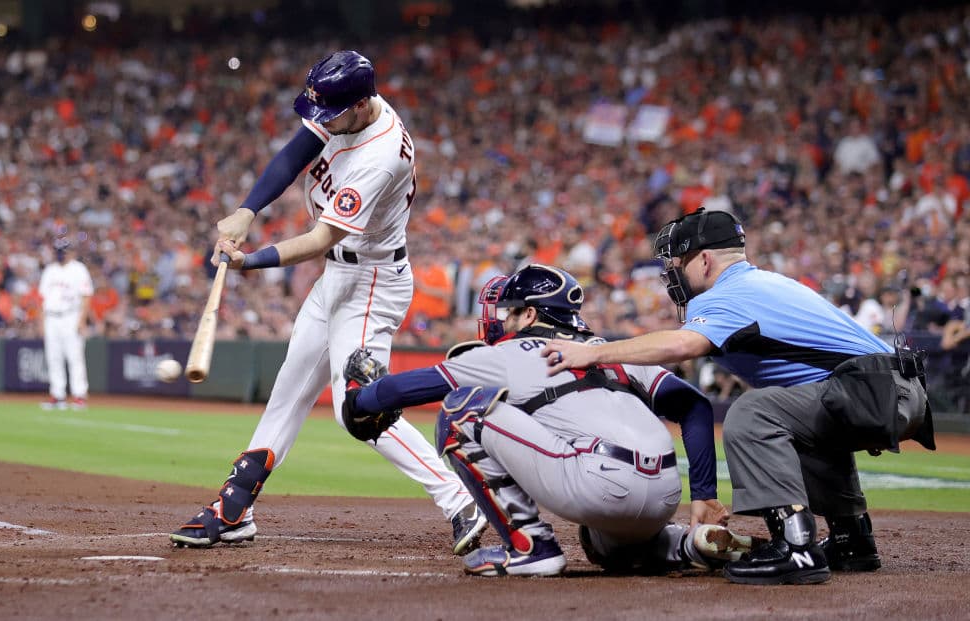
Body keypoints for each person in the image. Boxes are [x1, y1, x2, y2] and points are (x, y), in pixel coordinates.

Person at [170, 51, 487, 553]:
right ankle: (237, 507)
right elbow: (295, 154)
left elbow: (319, 239)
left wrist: (248, 262)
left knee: (357, 409)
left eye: (332, 114)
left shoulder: (379, 156)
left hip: (373, 283)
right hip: (339, 275)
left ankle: (460, 498)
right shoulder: (343, 110)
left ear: (361, 105)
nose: (322, 121)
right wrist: (246, 210)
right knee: (289, 391)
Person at [542, 209, 934, 585]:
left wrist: (593, 351)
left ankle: (795, 546)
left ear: (705, 260)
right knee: (793, 415)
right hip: (893, 390)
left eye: (677, 261)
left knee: (752, 412)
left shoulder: (728, 292)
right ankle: (853, 540)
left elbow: (683, 344)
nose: (672, 272)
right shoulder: (763, 283)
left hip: (870, 390)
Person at [344, 264, 756, 577]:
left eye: (510, 312)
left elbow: (411, 388)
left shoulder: (511, 352)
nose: (502, 320)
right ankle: (687, 543)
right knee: (600, 545)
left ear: (528, 315)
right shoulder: (612, 350)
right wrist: (703, 493)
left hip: (598, 482)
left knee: (459, 409)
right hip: (664, 494)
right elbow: (696, 407)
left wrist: (359, 399)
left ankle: (531, 546)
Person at [38, 237, 94, 410]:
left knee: (74, 357)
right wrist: (41, 322)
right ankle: (58, 395)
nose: (61, 254)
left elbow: (86, 297)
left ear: (71, 252)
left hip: (71, 316)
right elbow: (42, 298)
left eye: (63, 251)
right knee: (53, 358)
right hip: (51, 317)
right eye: (58, 251)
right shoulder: (50, 270)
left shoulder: (78, 269)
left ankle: (79, 395)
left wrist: (81, 321)